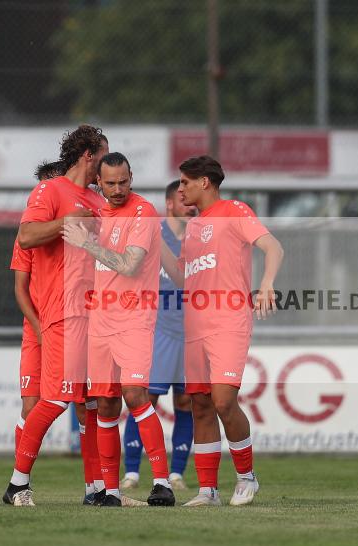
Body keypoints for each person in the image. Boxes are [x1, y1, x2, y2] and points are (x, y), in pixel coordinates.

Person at [161, 155, 284, 507]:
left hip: (228, 322)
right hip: (194, 326)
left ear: (205, 182)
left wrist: (267, 284)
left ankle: (247, 477)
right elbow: (186, 278)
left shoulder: (235, 210)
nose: (180, 188)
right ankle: (207, 491)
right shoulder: (193, 228)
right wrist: (158, 250)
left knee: (223, 400)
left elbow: (273, 246)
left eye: (185, 182)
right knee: (199, 404)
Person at [2, 125, 109, 507]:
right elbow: (27, 236)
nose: (106, 169)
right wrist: (65, 225)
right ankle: (17, 484)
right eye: (103, 157)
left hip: (93, 316)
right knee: (53, 401)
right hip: (60, 312)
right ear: (88, 155)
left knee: (90, 402)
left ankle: (96, 489)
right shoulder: (49, 191)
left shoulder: (97, 203)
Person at [62, 152, 176, 507]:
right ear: (99, 182)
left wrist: (87, 243)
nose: (116, 189)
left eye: (123, 181)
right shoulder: (97, 210)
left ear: (132, 177)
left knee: (135, 394)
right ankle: (110, 491)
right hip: (100, 320)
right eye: (109, 183)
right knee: (106, 405)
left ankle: (162, 483)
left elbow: (129, 265)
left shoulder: (143, 211)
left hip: (134, 319)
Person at [121, 179, 196, 492]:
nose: (190, 205)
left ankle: (177, 473)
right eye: (183, 200)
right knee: (144, 397)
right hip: (158, 330)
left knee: (187, 401)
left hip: (191, 332)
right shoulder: (154, 233)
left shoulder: (201, 237)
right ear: (169, 204)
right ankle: (133, 472)